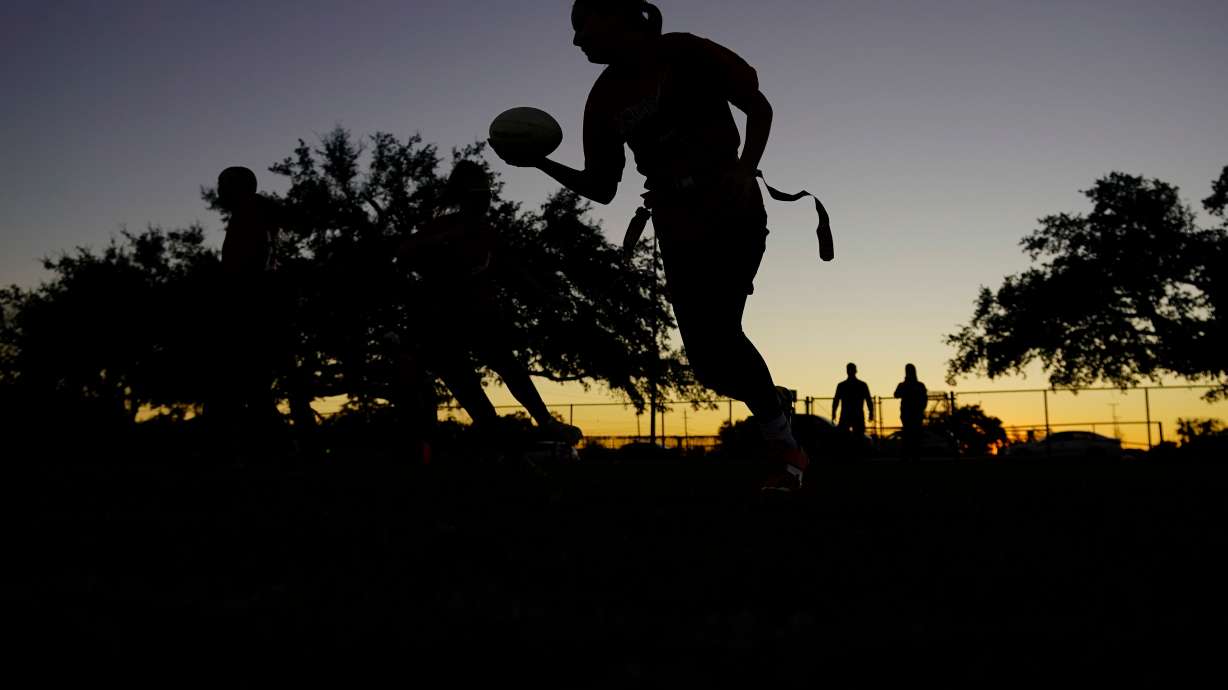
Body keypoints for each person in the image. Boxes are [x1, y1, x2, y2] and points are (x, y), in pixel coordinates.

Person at [490, 0, 807, 490]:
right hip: (676, 227)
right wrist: (539, 164)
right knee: (708, 366)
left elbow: (758, 106)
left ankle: (787, 452)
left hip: (730, 210)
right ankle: (769, 399)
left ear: (618, 15)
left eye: (584, 24)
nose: (576, 41)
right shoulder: (602, 97)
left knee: (722, 332)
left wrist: (745, 169)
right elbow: (602, 186)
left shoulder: (686, 52)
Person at [397, 161, 583, 448]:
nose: (484, 202)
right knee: (469, 389)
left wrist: (546, 296)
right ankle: (499, 446)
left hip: (482, 318)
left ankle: (545, 422)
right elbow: (405, 253)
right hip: (442, 324)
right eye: (478, 196)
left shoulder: (488, 233)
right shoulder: (442, 226)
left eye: (487, 196)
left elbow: (515, 269)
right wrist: (444, 240)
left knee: (510, 367)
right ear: (464, 198)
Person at [210, 166, 285, 447]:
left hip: (248, 312)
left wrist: (231, 302)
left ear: (238, 186)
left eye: (222, 184)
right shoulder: (260, 214)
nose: (218, 191)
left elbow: (244, 263)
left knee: (238, 387)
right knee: (252, 389)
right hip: (257, 310)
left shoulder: (250, 213)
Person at [893, 364, 928, 461]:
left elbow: (924, 399)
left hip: (912, 413)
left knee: (912, 434)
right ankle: (911, 455)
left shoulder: (916, 385)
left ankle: (911, 455)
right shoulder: (912, 385)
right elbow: (896, 394)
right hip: (909, 414)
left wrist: (921, 408)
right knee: (911, 434)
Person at [832, 363, 874, 437]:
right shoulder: (862, 385)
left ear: (847, 371)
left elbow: (836, 400)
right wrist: (871, 412)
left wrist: (834, 412)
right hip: (857, 414)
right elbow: (868, 400)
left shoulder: (842, 385)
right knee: (859, 437)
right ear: (856, 371)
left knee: (843, 437)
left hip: (846, 414)